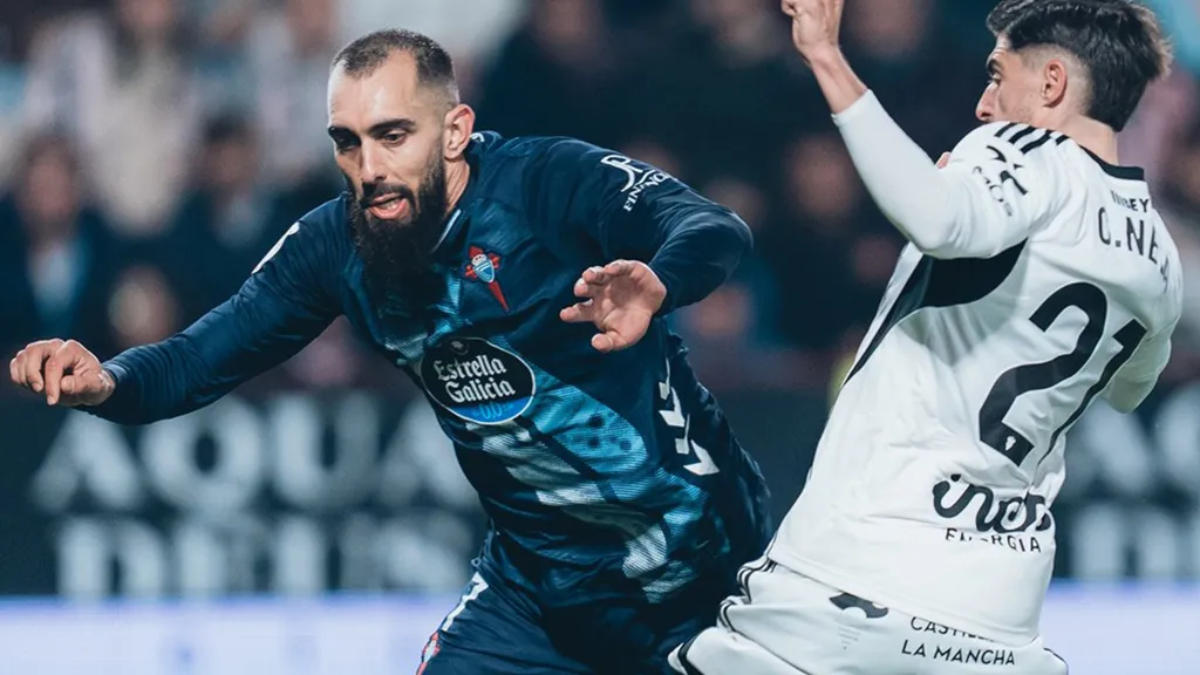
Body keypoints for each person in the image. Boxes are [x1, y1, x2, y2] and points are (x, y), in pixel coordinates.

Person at [8, 29, 772, 675]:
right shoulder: (334, 247)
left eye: (392, 135)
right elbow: (193, 360)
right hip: (537, 599)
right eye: (348, 142)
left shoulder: (546, 183)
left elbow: (712, 229)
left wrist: (657, 284)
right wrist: (104, 380)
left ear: (455, 129)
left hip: (701, 574)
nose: (369, 168)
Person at [672, 1, 1181, 673]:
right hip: (999, 618)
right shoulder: (1160, 257)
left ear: (1052, 84)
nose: (983, 103)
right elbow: (1129, 387)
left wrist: (826, 55)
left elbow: (938, 220)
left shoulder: (1026, 152)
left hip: (858, 578)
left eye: (999, 76)